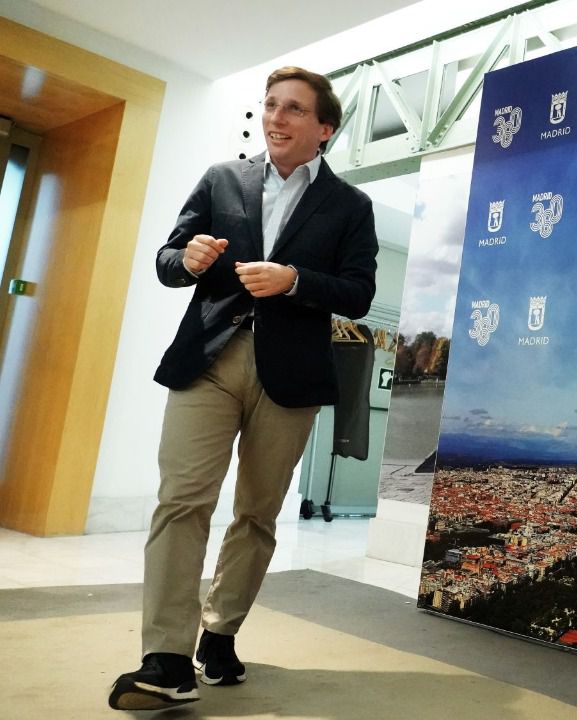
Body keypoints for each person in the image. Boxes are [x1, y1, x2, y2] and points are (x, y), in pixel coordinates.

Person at [108, 66, 378, 711]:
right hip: (208, 358)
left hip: (289, 373)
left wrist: (294, 281)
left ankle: (220, 633)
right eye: (270, 106)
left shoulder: (350, 206)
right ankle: (166, 657)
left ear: (323, 129)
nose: (276, 118)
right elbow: (170, 260)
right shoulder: (222, 179)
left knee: (257, 512)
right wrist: (189, 260)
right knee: (182, 498)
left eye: (293, 110)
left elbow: (359, 293)